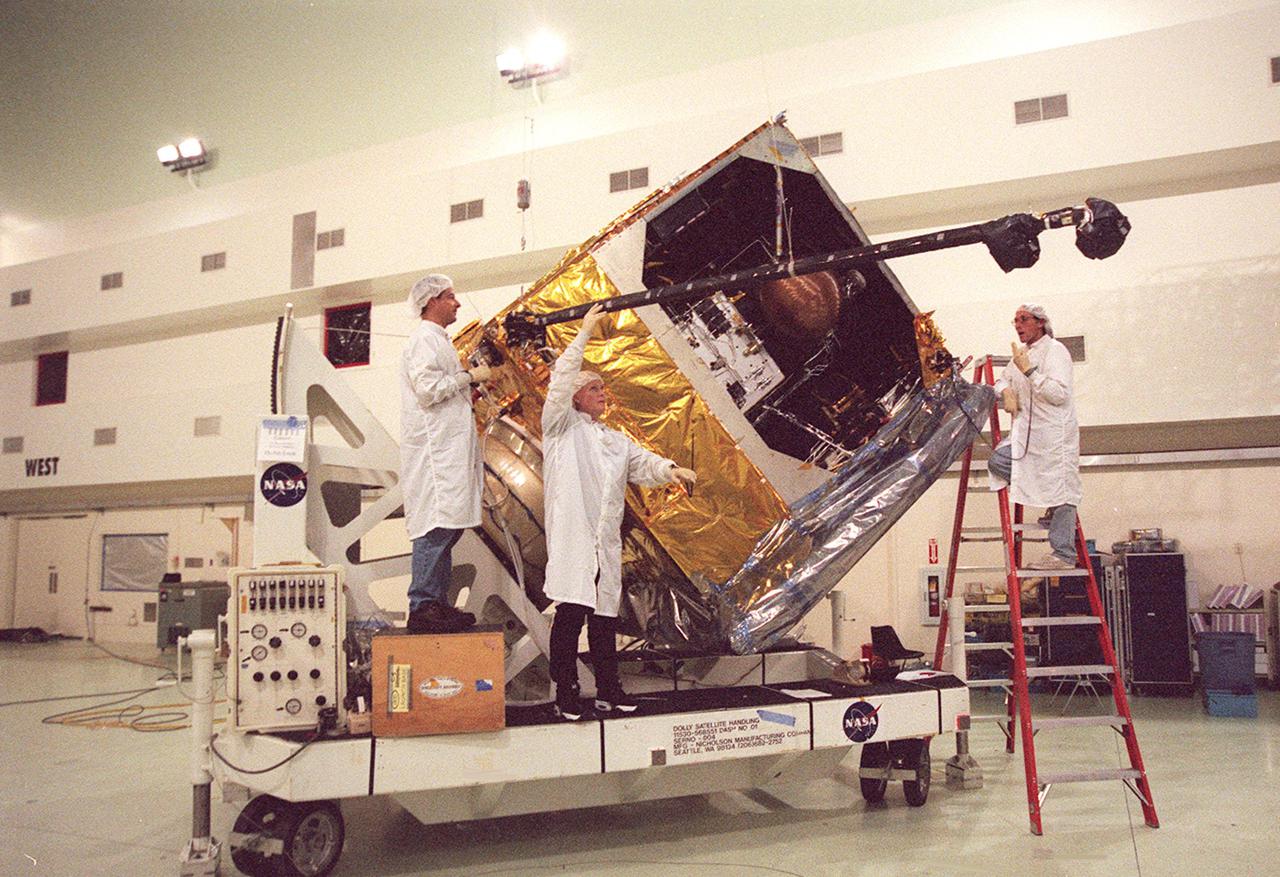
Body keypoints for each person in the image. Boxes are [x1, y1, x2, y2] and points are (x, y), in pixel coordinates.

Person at [542, 303, 696, 719]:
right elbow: (559, 384)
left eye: (603, 389)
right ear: (576, 397)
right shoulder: (560, 429)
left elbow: (642, 462)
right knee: (570, 615)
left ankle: (609, 690)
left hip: (603, 546)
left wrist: (671, 470)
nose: (602, 394)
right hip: (575, 541)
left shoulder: (613, 440)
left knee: (604, 620)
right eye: (595, 388)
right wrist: (583, 335)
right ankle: (566, 692)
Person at [399, 273, 492, 634]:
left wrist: (469, 385)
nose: (457, 303)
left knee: (447, 528)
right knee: (435, 528)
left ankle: (435, 603)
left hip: (448, 452)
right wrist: (469, 377)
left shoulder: (439, 341)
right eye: (451, 296)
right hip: (435, 457)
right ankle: (422, 605)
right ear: (432, 301)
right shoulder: (424, 340)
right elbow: (428, 390)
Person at [989, 303, 1082, 570]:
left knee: (1061, 486)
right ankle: (1050, 506)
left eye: (1024, 319)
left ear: (1040, 322)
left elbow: (1059, 394)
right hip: (1026, 435)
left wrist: (1031, 373)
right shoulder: (1022, 355)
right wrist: (1005, 391)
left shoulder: (1056, 351)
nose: (1018, 325)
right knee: (998, 461)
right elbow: (1002, 379)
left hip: (1052, 435)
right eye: (1015, 320)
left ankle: (1063, 553)